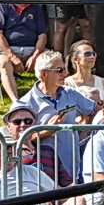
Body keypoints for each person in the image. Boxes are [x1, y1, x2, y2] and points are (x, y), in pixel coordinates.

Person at [17, 50, 97, 184]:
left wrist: (85, 131)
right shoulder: (26, 103)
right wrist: (46, 131)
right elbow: (20, 139)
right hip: (42, 173)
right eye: (59, 70)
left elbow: (96, 110)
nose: (65, 74)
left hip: (71, 168)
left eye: (65, 69)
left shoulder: (71, 94)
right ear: (44, 73)